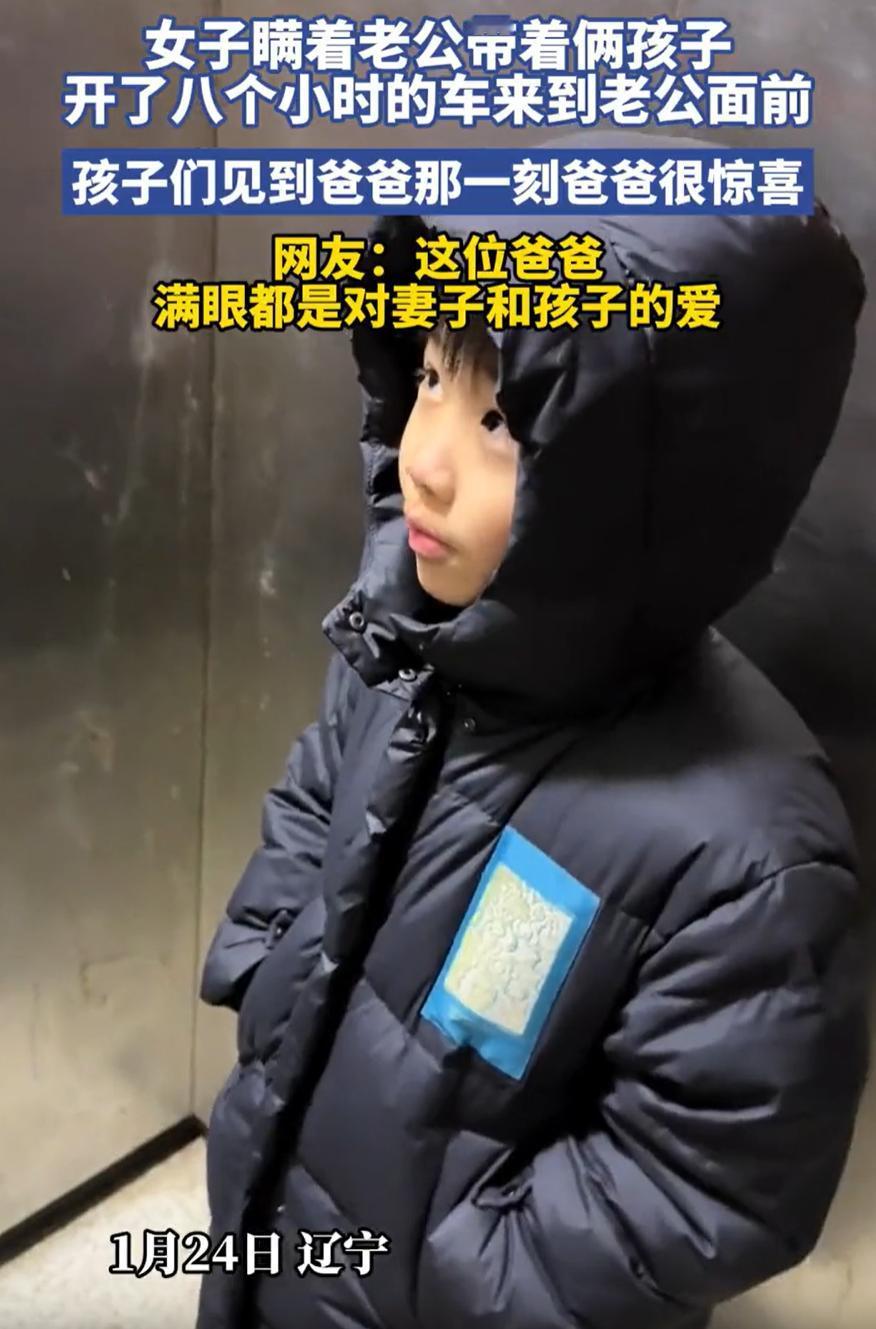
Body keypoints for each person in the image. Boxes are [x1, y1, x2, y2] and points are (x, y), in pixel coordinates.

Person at [196, 181, 870, 1328]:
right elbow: (312, 805)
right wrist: (270, 980)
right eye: (427, 379)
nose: (424, 458)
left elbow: (710, 1178)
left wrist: (454, 1264)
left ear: (653, 483)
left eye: (501, 419)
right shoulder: (409, 643)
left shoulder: (748, 850)